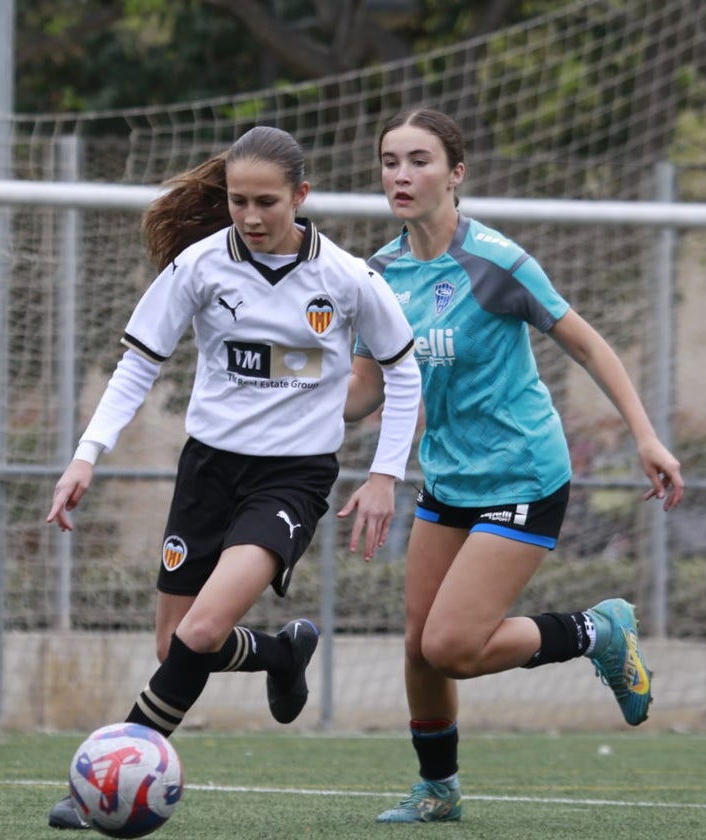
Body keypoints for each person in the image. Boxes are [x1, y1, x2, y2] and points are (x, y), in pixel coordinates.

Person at [45, 125, 423, 830]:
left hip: (292, 481)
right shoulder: (198, 266)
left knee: (205, 628)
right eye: (237, 201)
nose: (249, 217)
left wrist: (383, 475)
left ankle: (108, 779)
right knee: (175, 643)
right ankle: (282, 652)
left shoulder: (346, 278)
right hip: (208, 473)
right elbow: (138, 364)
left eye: (266, 203)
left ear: (301, 197)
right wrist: (86, 454)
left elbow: (404, 372)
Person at [344, 107, 685, 824]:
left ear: (456, 174)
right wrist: (288, 406)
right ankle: (438, 789)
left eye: (419, 161)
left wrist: (646, 437)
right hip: (448, 479)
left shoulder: (496, 261)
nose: (400, 175)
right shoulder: (379, 273)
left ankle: (596, 633)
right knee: (418, 646)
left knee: (453, 646)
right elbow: (365, 389)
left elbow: (588, 345)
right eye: (389, 161)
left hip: (524, 475)